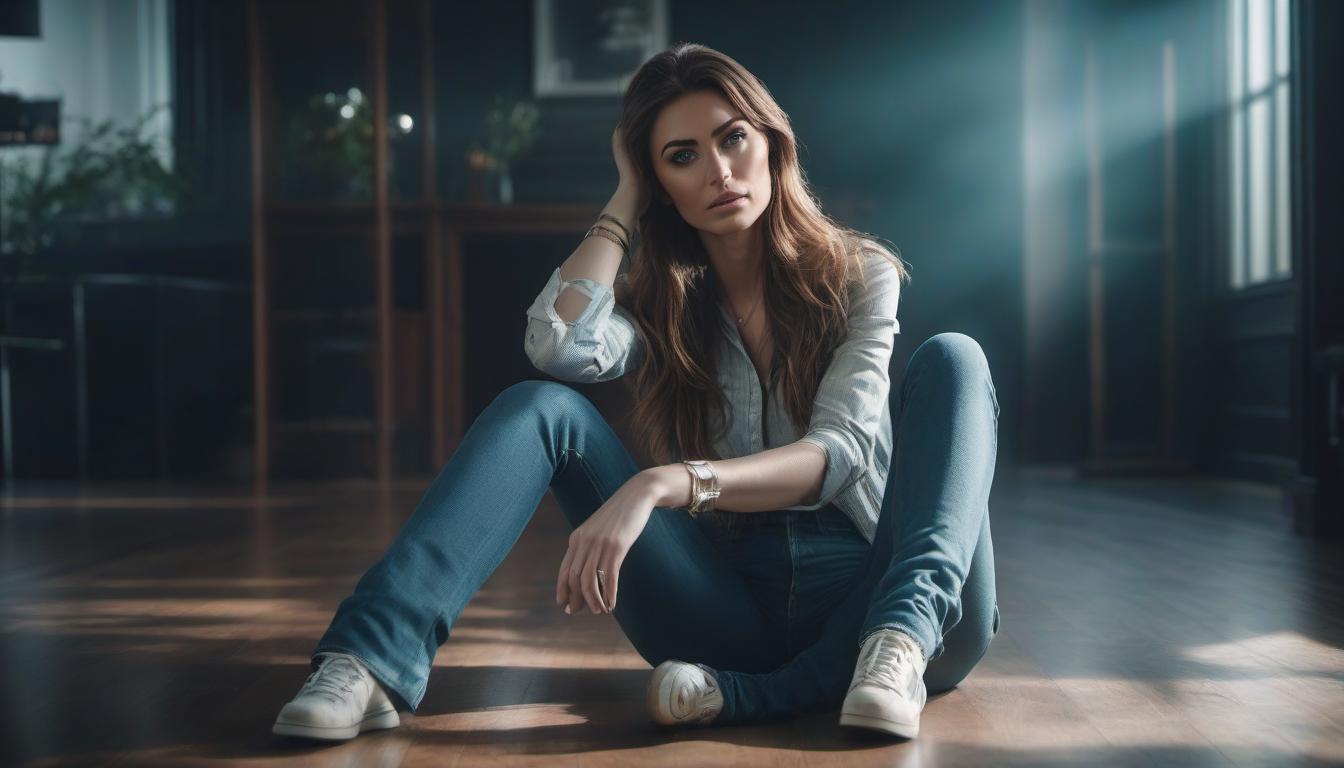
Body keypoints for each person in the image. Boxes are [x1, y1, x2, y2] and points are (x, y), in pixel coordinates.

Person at [272, 42, 1000, 743]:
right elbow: (555, 347)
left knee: (955, 360)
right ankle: (366, 661)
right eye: (681, 157)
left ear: (773, 145)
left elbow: (834, 457)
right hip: (724, 615)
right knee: (540, 409)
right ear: (662, 186)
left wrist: (663, 484)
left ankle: (891, 649)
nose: (717, 170)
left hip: (888, 598)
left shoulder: (857, 275)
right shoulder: (663, 306)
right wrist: (623, 199)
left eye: (733, 139)